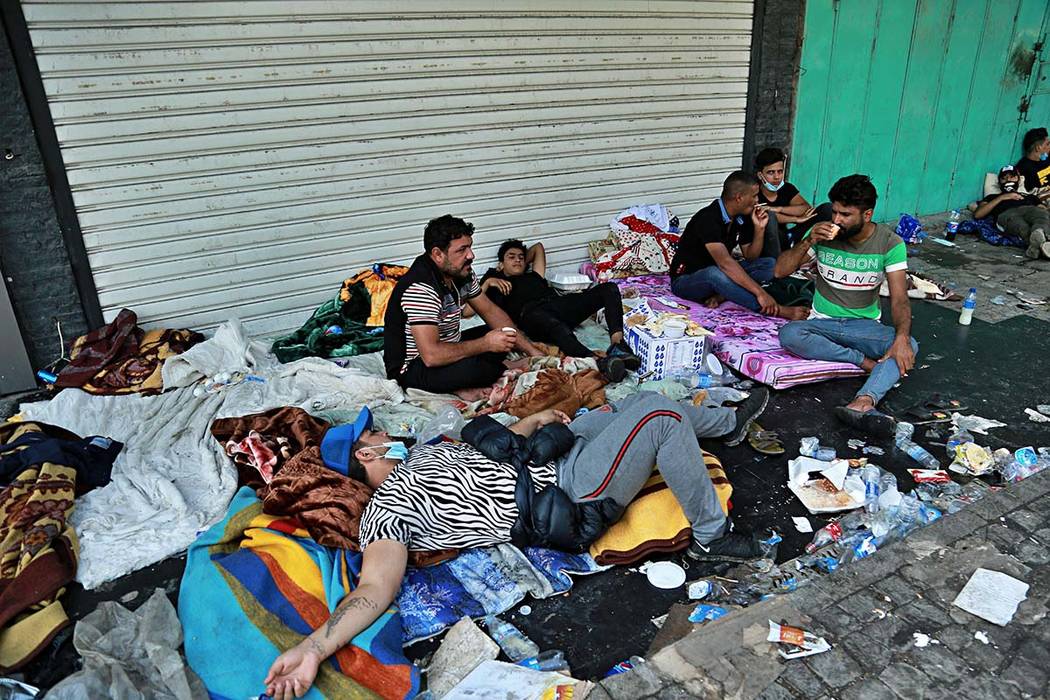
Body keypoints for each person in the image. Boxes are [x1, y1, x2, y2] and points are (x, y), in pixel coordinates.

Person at [263, 388, 771, 699]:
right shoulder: (387, 509)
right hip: (567, 494)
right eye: (374, 431)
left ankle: (728, 425)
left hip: (550, 456)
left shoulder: (424, 455)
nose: (385, 430)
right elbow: (375, 585)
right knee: (659, 417)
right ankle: (712, 538)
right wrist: (313, 648)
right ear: (365, 450)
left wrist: (534, 422)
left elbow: (498, 442)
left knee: (633, 402)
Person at [774, 174, 916, 436]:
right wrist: (808, 241)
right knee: (790, 333)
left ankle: (864, 401)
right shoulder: (821, 235)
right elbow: (780, 272)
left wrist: (902, 336)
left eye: (846, 214)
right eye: (835, 212)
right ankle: (861, 362)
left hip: (863, 327)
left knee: (908, 344)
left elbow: (899, 299)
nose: (836, 220)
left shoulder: (889, 243)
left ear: (867, 214)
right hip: (821, 322)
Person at [383, 215, 543, 398]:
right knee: (480, 366)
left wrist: (532, 351)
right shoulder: (421, 288)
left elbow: (490, 311)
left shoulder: (460, 272)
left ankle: (475, 377)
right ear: (437, 254)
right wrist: (485, 344)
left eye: (470, 246)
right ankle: (477, 380)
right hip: (413, 366)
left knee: (506, 334)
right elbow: (431, 355)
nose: (471, 255)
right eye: (462, 250)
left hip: (449, 344)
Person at [477, 239, 641, 381]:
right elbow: (468, 311)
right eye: (511, 257)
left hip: (558, 304)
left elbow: (538, 248)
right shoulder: (497, 282)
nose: (518, 260)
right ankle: (598, 362)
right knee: (557, 327)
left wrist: (520, 263)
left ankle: (617, 346)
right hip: (531, 315)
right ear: (500, 263)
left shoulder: (534, 276)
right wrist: (488, 282)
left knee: (609, 289)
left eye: (520, 257)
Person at [669, 171, 808, 320]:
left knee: (767, 264)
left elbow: (750, 255)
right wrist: (761, 293)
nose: (757, 200)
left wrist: (759, 228)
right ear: (739, 198)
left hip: (721, 274)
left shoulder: (741, 216)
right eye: (754, 196)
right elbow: (725, 264)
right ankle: (777, 310)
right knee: (714, 274)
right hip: (686, 280)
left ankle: (722, 294)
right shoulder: (708, 218)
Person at [754, 146, 830, 250]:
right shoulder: (754, 192)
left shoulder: (787, 188)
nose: (777, 177)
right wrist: (796, 219)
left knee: (827, 209)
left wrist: (777, 209)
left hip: (788, 235)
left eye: (780, 172)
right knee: (770, 219)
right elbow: (767, 216)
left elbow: (806, 208)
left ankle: (799, 245)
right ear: (760, 175)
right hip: (767, 242)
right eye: (771, 172)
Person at [975, 166, 1050, 260]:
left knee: (1041, 217)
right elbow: (978, 214)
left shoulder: (1030, 197)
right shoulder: (992, 197)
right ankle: (1043, 246)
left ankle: (1037, 245)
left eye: (1012, 176)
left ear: (1018, 180)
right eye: (1004, 178)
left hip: (1030, 209)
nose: (1008, 180)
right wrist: (1002, 198)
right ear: (999, 182)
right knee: (1021, 227)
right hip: (1007, 214)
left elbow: (1043, 212)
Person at [1014, 126, 1050, 192]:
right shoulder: (1024, 169)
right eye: (1047, 144)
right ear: (1038, 148)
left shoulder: (1046, 158)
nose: (1049, 147)